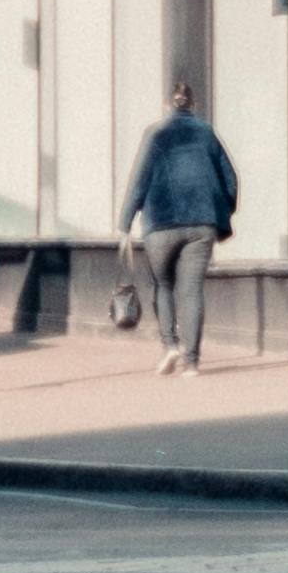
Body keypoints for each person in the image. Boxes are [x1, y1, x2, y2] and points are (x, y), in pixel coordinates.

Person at [119, 82, 236, 368]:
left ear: (166, 106)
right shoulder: (207, 133)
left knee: (164, 285)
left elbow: (138, 181)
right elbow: (230, 179)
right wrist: (222, 211)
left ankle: (170, 345)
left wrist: (124, 223)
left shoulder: (155, 133)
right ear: (192, 105)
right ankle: (192, 363)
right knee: (192, 290)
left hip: (161, 224)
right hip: (201, 224)